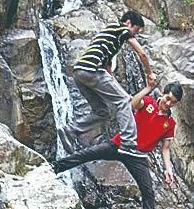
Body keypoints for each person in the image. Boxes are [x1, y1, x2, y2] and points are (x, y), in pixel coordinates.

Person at [55, 82, 183, 209]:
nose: (168, 103)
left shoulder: (169, 124)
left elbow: (166, 148)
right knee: (88, 154)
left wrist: (168, 169)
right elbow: (131, 105)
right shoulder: (149, 102)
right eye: (167, 98)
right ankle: (56, 167)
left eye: (173, 102)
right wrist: (148, 88)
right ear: (163, 94)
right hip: (120, 144)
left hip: (138, 156)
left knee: (148, 191)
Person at [64, 10, 153, 153]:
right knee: (124, 102)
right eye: (135, 31)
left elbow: (109, 77)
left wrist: (123, 93)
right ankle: (128, 142)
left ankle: (71, 130)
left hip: (79, 73)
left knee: (103, 111)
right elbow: (141, 53)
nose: (134, 35)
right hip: (92, 69)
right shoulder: (122, 29)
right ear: (129, 22)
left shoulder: (107, 35)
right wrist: (149, 73)